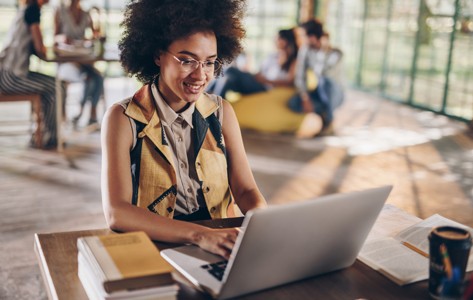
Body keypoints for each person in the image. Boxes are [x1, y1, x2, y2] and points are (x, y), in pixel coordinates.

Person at [101, 0, 267, 259]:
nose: (200, 75)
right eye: (187, 60)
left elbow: (246, 191)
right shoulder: (123, 119)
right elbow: (117, 213)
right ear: (157, 55)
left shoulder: (221, 112)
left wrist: (265, 225)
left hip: (221, 243)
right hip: (157, 243)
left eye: (209, 62)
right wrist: (199, 235)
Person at [0, 0, 59, 149]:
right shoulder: (33, 10)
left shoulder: (25, 8)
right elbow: (40, 48)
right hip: (11, 77)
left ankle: (42, 133)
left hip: (7, 73)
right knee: (56, 87)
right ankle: (49, 138)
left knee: (55, 84)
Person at [288, 19, 344, 134]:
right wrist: (305, 97)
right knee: (294, 103)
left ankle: (328, 120)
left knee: (325, 81)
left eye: (302, 35)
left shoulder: (336, 53)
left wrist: (322, 50)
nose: (300, 39)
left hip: (334, 94)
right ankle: (326, 117)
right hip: (320, 93)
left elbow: (323, 73)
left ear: (312, 36)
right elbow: (300, 76)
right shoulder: (305, 50)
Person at [208, 28, 298, 97]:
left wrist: (267, 81)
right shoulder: (273, 56)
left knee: (230, 70)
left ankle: (208, 95)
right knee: (227, 79)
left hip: (264, 87)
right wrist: (254, 75)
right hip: (258, 81)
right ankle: (211, 104)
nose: (275, 41)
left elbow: (290, 82)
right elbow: (260, 72)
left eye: (278, 39)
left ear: (285, 41)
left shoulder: (293, 60)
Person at [54, 0, 104, 126]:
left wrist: (91, 38)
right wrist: (63, 38)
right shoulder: (60, 11)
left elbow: (95, 34)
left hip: (83, 61)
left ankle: (92, 115)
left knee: (98, 78)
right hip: (66, 63)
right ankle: (79, 112)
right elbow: (55, 37)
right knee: (88, 79)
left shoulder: (86, 14)